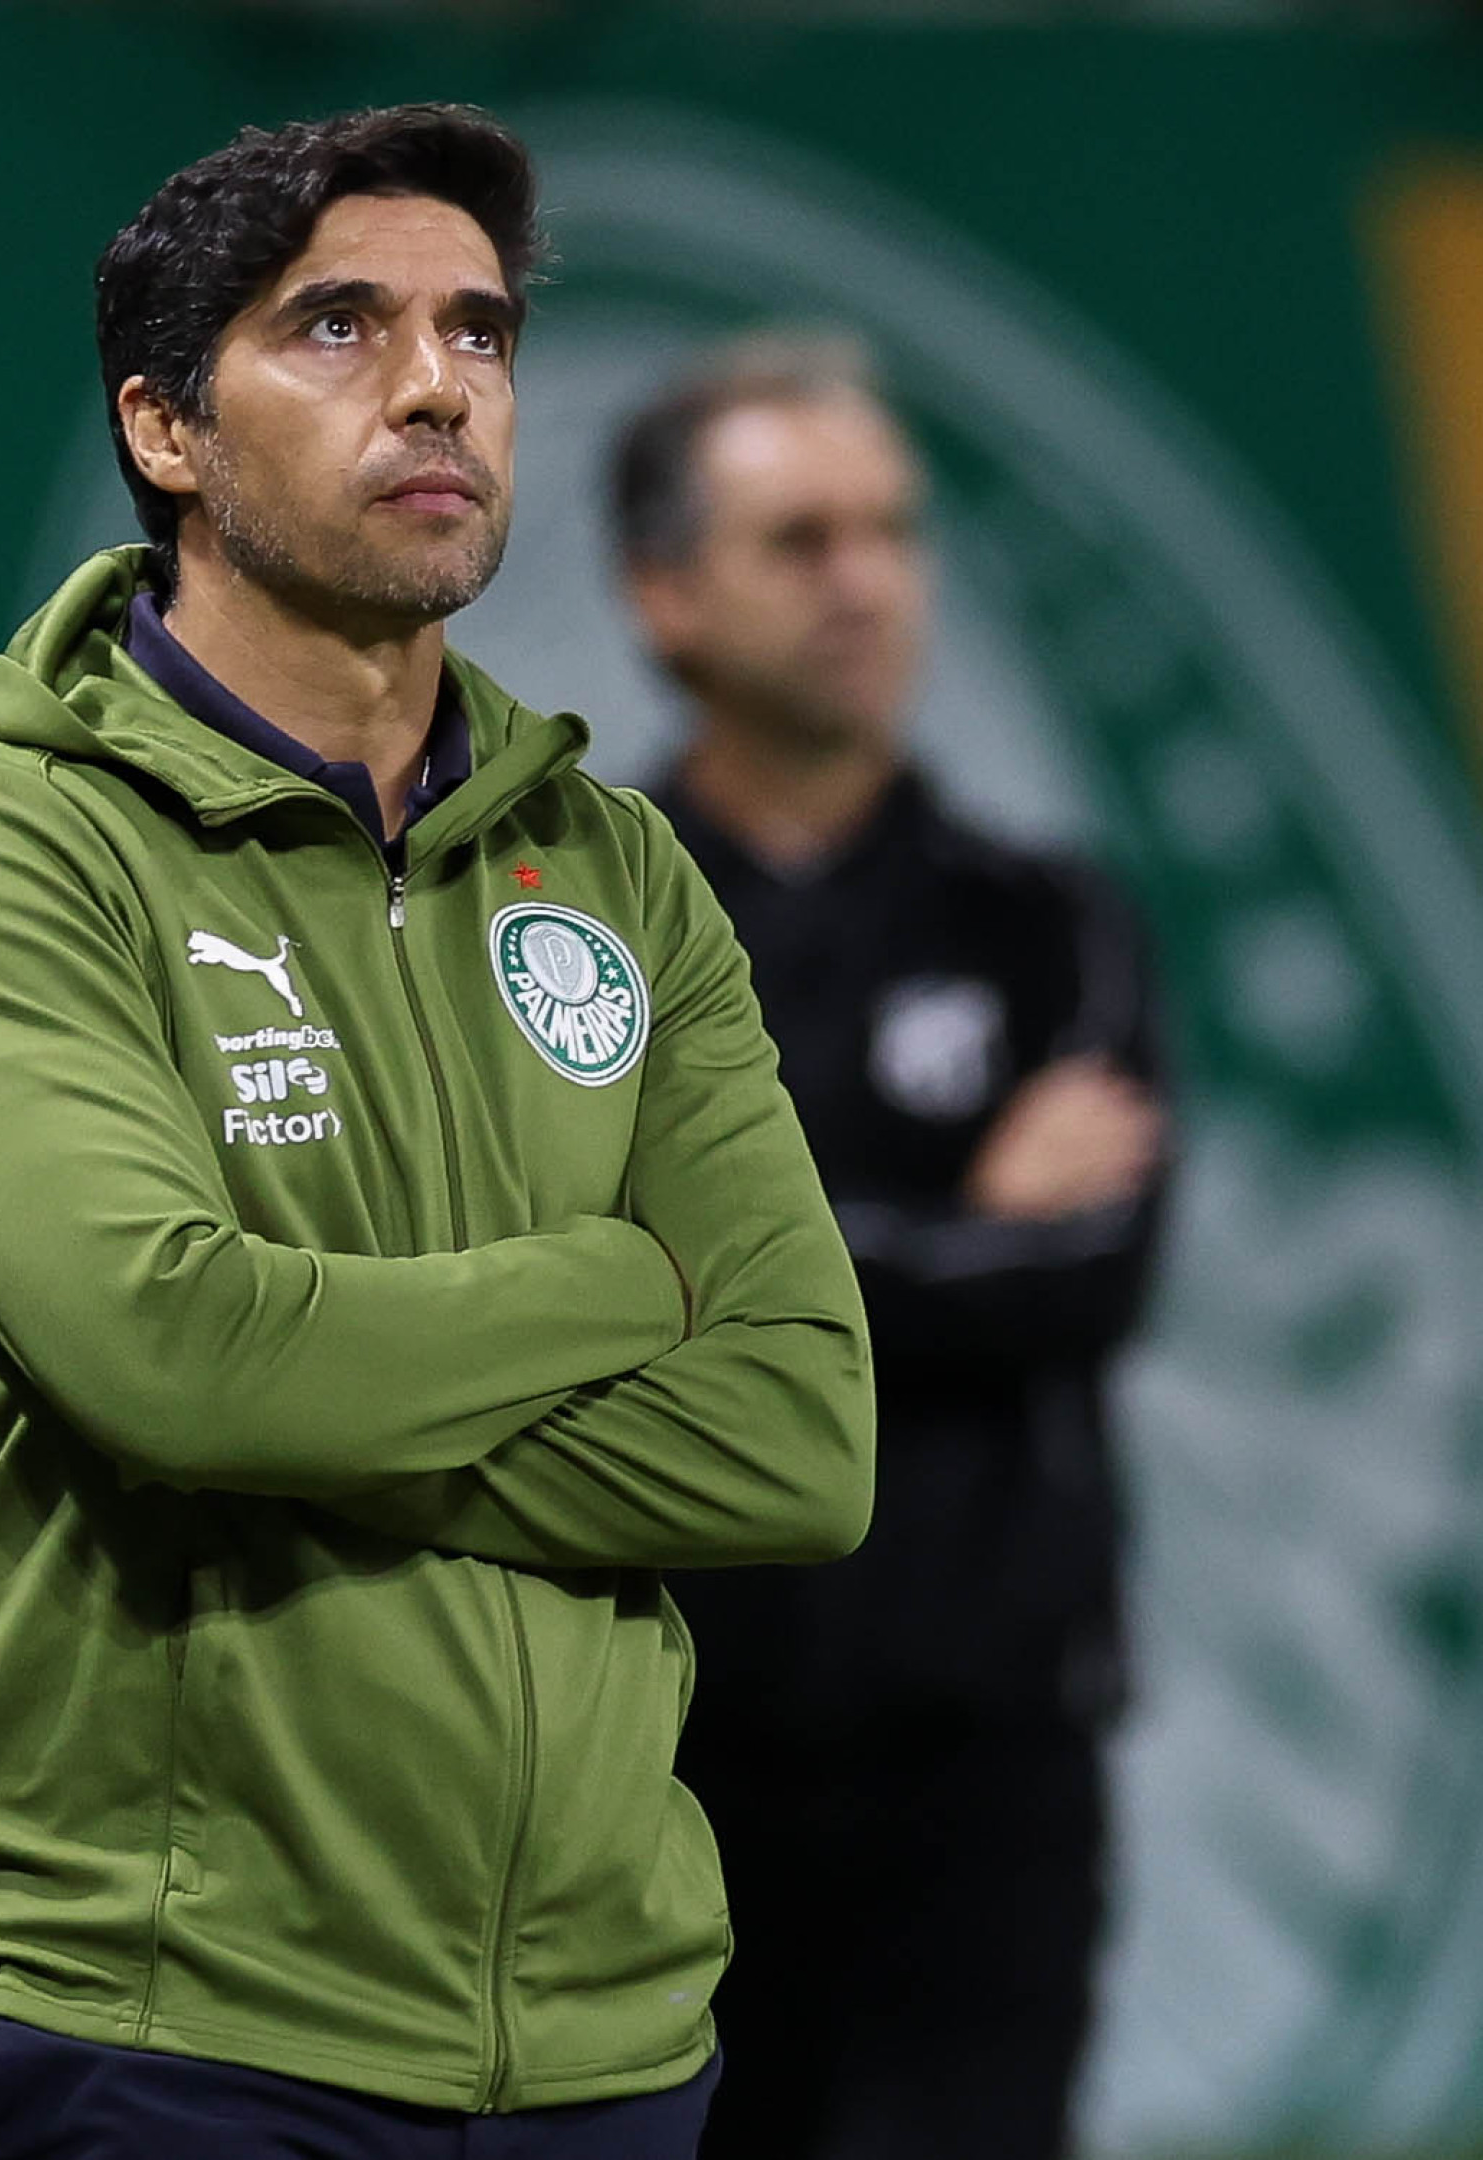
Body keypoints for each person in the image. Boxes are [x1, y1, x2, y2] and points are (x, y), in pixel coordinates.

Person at [0, 108, 875, 2160]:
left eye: (478, 332)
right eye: (339, 329)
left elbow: (802, 1438)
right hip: (166, 2031)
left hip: (611, 2045)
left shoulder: (616, 868)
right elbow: (181, 1361)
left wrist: (324, 1399)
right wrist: (619, 1285)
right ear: (166, 430)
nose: (437, 384)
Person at [609, 341, 1170, 2160]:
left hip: (983, 1764)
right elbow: (548, 1298)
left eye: (893, 532)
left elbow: (1086, 1273)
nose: (866, 581)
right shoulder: (558, 926)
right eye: (801, 539)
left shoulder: (1047, 925)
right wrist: (941, 1237)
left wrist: (713, 1268)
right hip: (657, 1761)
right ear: (667, 596)